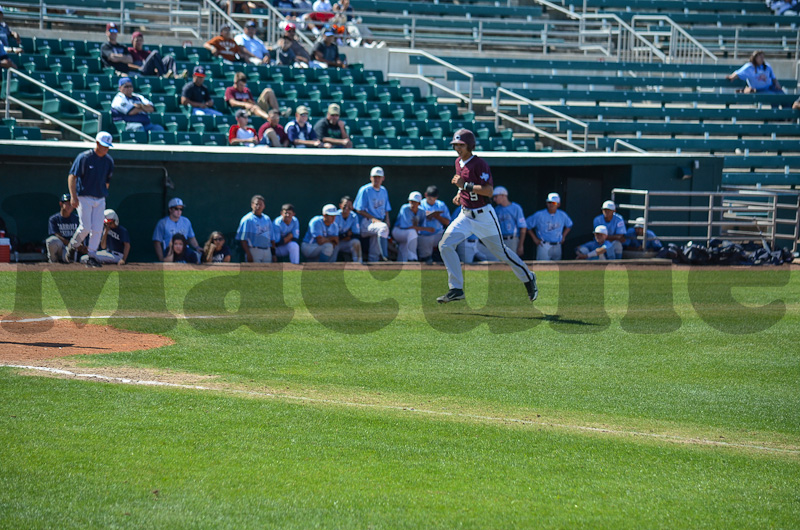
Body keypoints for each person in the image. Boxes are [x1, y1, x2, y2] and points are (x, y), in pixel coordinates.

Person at [437, 129, 537, 303]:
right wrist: (460, 193)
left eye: (461, 145)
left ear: (470, 145)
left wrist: (464, 186)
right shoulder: (458, 162)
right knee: (445, 245)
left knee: (501, 253)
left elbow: (488, 191)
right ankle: (456, 288)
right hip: (465, 215)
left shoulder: (479, 164)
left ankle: (528, 278)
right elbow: (464, 186)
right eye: (456, 145)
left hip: (484, 216)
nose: (457, 148)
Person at [64, 132, 114, 268]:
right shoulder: (84, 157)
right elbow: (72, 177)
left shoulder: (109, 161)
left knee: (97, 228)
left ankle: (92, 256)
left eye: (108, 146)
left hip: (100, 198)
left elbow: (107, 181)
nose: (106, 149)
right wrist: (73, 196)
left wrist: (102, 191)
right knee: (85, 227)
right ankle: (72, 246)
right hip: (84, 196)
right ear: (97, 143)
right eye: (104, 145)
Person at [475, 186, 526, 261]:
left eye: (496, 197)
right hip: (500, 240)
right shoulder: (496, 209)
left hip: (512, 239)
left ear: (503, 195)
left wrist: (521, 245)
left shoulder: (516, 208)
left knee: (512, 262)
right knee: (500, 263)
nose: (494, 199)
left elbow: (523, 227)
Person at [353, 166, 391, 261]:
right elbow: (358, 209)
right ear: (370, 178)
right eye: (374, 177)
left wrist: (387, 219)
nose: (376, 179)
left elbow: (386, 208)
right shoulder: (365, 190)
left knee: (375, 251)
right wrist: (373, 218)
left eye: (379, 177)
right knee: (382, 228)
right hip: (366, 222)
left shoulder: (383, 190)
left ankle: (374, 267)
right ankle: (385, 255)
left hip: (379, 222)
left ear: (383, 178)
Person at [526, 192, 573, 261]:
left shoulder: (562, 215)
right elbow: (526, 225)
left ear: (558, 204)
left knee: (557, 268)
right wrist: (534, 238)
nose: (551, 204)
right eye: (549, 202)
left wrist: (563, 236)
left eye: (553, 203)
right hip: (544, 245)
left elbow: (569, 225)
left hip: (557, 245)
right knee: (542, 269)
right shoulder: (539, 215)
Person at [152, 197, 201, 261]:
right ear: (170, 209)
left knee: (195, 258)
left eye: (181, 209)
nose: (179, 211)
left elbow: (191, 237)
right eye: (176, 209)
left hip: (185, 250)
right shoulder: (162, 223)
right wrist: (161, 258)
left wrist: (197, 247)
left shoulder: (186, 221)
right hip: (170, 250)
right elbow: (157, 242)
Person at [391, 191, 433, 262]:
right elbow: (407, 227)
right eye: (411, 201)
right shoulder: (405, 208)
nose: (412, 204)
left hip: (409, 234)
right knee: (412, 232)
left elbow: (421, 228)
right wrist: (426, 229)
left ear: (419, 203)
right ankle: (413, 258)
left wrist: (424, 228)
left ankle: (401, 265)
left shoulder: (422, 211)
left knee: (403, 254)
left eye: (415, 202)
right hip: (398, 231)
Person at [236, 194, 275, 263]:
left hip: (267, 250)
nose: (258, 206)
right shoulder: (247, 219)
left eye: (261, 204)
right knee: (255, 273)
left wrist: (274, 254)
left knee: (268, 273)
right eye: (256, 204)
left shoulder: (267, 218)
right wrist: (248, 254)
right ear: (252, 205)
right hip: (254, 250)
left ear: (264, 206)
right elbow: (243, 239)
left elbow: (272, 238)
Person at [417, 185, 451, 264]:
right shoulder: (420, 204)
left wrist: (437, 217)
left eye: (434, 198)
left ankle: (445, 258)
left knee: (449, 236)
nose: (432, 199)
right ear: (425, 195)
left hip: (438, 233)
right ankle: (425, 258)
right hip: (424, 234)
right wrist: (425, 216)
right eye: (429, 197)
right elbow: (414, 221)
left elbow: (447, 222)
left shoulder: (441, 205)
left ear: (437, 197)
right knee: (426, 240)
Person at [46, 193, 80, 263]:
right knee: (51, 241)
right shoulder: (54, 219)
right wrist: (70, 243)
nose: (69, 206)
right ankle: (53, 261)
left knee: (69, 260)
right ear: (61, 204)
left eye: (71, 204)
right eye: (67, 203)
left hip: (71, 247)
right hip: (60, 244)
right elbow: (57, 235)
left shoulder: (77, 218)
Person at [333, 195, 361, 263]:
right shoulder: (335, 215)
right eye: (345, 205)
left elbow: (356, 235)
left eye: (349, 206)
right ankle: (329, 266)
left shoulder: (354, 216)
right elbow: (334, 236)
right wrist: (346, 235)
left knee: (356, 242)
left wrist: (344, 236)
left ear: (352, 207)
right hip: (336, 242)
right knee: (333, 244)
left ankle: (358, 265)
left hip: (347, 243)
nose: (347, 208)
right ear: (340, 206)